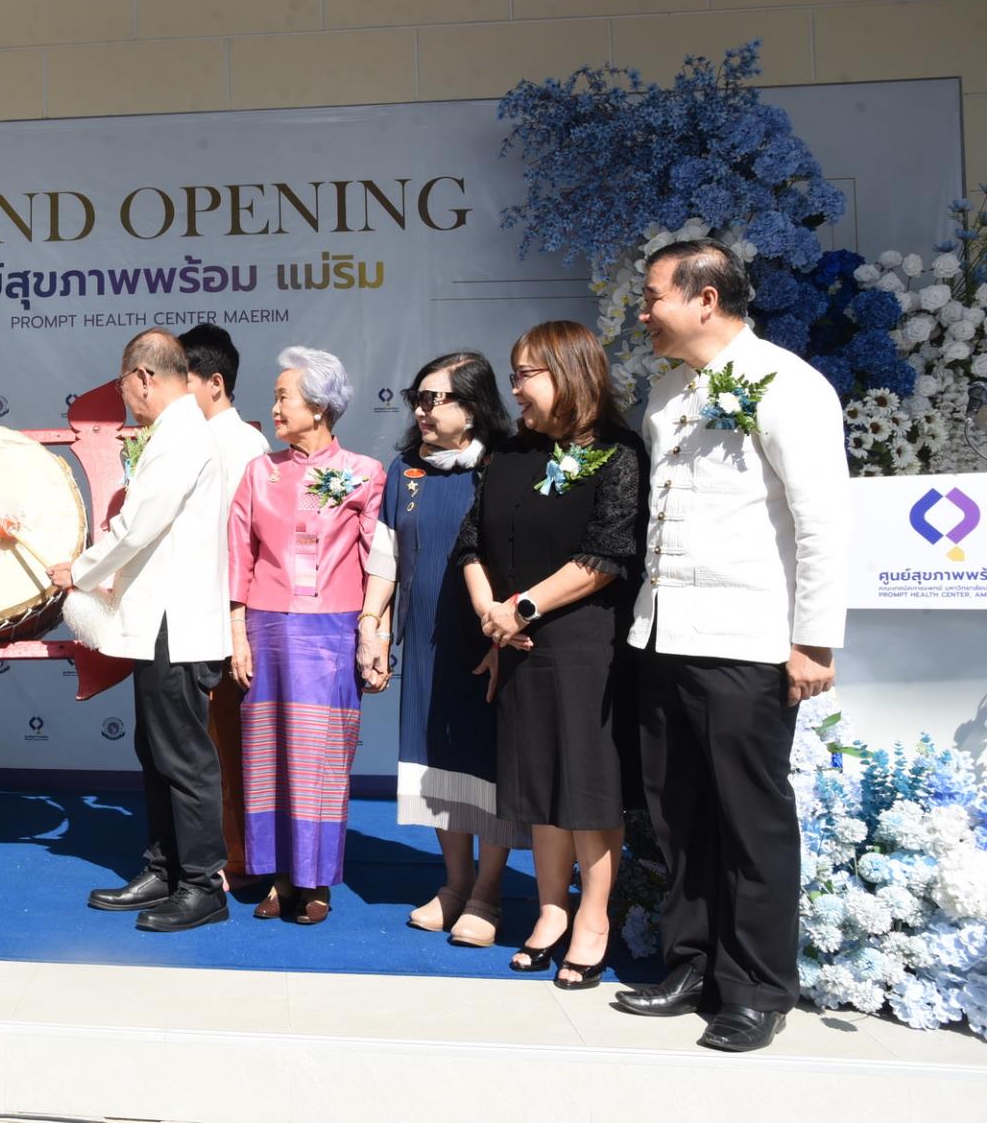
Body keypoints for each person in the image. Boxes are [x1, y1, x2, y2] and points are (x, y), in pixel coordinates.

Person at [614, 238, 849, 1053]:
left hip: (747, 639)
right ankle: (690, 964)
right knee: (677, 812)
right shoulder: (666, 391)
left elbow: (822, 518)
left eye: (653, 297)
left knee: (750, 821)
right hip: (663, 631)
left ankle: (755, 989)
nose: (643, 313)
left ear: (705, 298)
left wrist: (814, 640)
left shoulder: (789, 382)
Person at [454, 320, 644, 988]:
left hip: (584, 644)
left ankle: (593, 917)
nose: (515, 388)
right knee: (537, 784)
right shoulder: (508, 452)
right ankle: (550, 909)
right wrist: (491, 613)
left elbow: (607, 555)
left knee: (586, 786)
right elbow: (471, 541)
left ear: (570, 372)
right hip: (515, 641)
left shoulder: (618, 452)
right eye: (513, 373)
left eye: (526, 374)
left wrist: (522, 607)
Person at [48, 329, 232, 932]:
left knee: (182, 756)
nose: (126, 398)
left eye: (124, 385)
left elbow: (138, 525)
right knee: (156, 751)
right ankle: (165, 870)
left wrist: (79, 570)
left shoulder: (181, 435)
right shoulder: (175, 432)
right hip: (159, 619)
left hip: (176, 623)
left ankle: (202, 884)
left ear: (144, 377)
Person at [360, 351, 528, 947]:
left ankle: (488, 892)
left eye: (436, 399)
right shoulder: (406, 468)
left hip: (489, 641)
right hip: (427, 640)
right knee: (438, 761)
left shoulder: (504, 464)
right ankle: (455, 884)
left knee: (488, 762)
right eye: (418, 398)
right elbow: (386, 556)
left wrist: (505, 635)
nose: (422, 411)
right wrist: (373, 623)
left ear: (474, 407)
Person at [226, 347, 386, 925]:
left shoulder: (365, 472)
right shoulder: (258, 472)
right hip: (265, 628)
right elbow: (238, 555)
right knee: (266, 756)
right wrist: (238, 632)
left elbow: (380, 564)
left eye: (283, 397)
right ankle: (276, 875)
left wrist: (376, 635)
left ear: (318, 407)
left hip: (332, 632)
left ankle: (316, 881)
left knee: (321, 758)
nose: (274, 408)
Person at [178, 323, 269, 888]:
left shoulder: (243, 447)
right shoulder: (190, 440)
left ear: (215, 383)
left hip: (228, 620)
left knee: (231, 745)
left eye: (181, 381)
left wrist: (236, 625)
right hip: (194, 614)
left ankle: (240, 858)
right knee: (204, 745)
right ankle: (215, 850)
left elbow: (245, 545)